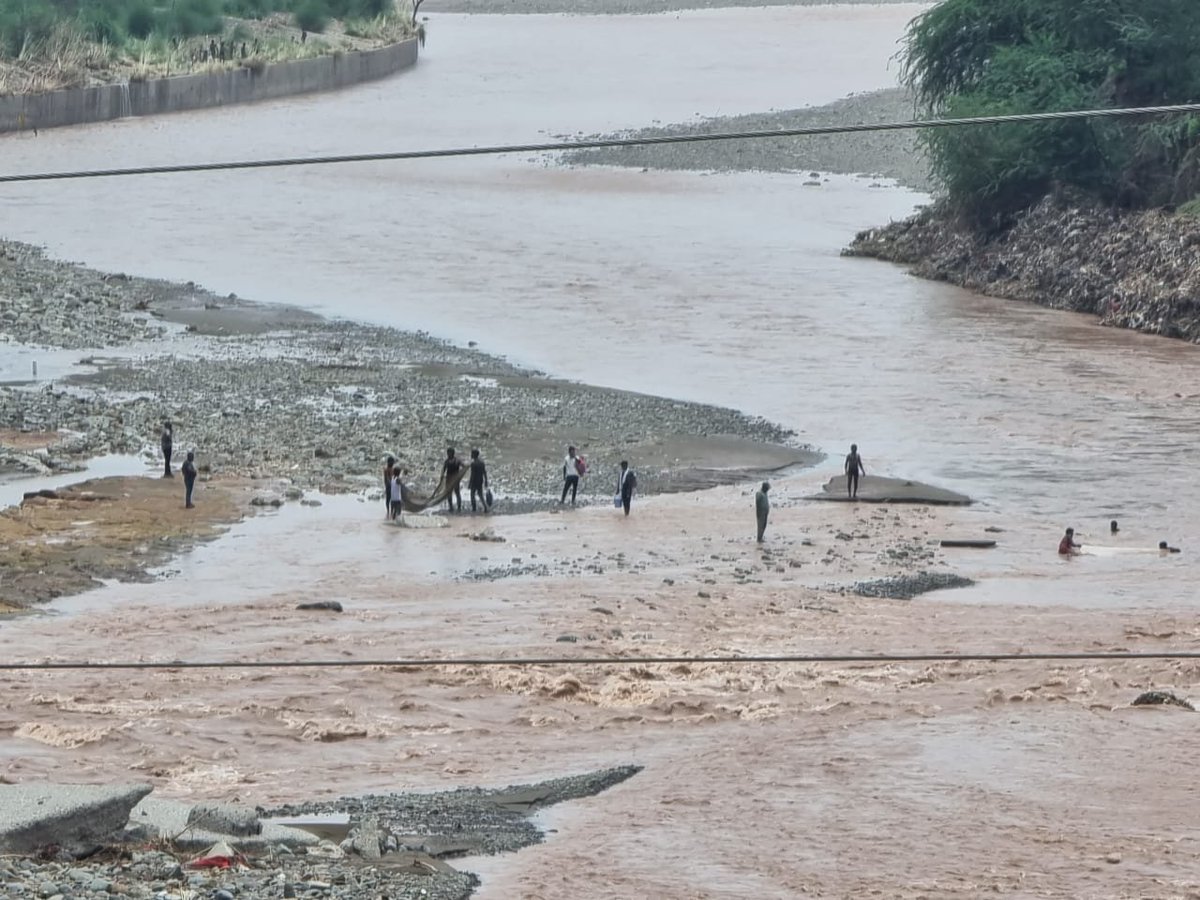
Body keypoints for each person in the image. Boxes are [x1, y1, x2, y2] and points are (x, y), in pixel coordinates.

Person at [442, 448, 464, 513]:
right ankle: (451, 507)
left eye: (449, 453)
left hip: (455, 479)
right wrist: (441, 475)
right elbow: (444, 469)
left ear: (452, 453)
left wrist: (460, 474)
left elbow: (464, 466)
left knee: (457, 493)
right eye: (447, 453)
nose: (448, 454)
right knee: (449, 493)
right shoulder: (447, 461)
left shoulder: (457, 461)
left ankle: (459, 507)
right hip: (449, 479)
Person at [468, 449, 489, 513]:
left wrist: (470, 483)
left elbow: (472, 474)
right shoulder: (482, 463)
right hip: (480, 481)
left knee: (472, 495)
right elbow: (484, 472)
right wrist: (486, 481)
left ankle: (474, 508)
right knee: (480, 495)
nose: (471, 455)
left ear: (474, 455)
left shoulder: (473, 464)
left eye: (472, 454)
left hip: (474, 481)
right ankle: (485, 507)